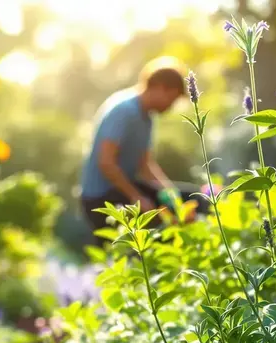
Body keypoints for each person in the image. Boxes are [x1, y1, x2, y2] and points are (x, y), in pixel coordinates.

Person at [79, 57, 198, 237]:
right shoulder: (123, 110)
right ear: (159, 87)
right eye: (171, 99)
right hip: (100, 198)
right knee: (160, 225)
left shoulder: (146, 118)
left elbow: (145, 165)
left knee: (191, 198)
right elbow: (106, 163)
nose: (171, 106)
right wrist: (137, 197)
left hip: (122, 189)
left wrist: (172, 196)